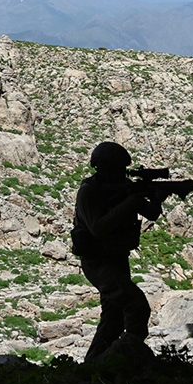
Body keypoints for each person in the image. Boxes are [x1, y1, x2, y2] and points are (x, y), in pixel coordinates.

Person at [72, 142, 167, 363]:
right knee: (136, 306)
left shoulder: (123, 187)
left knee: (113, 318)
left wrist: (156, 199)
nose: (121, 174)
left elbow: (151, 213)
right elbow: (98, 228)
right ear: (103, 168)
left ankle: (94, 365)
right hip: (97, 261)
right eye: (116, 168)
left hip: (117, 257)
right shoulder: (89, 191)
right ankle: (127, 355)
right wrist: (130, 202)